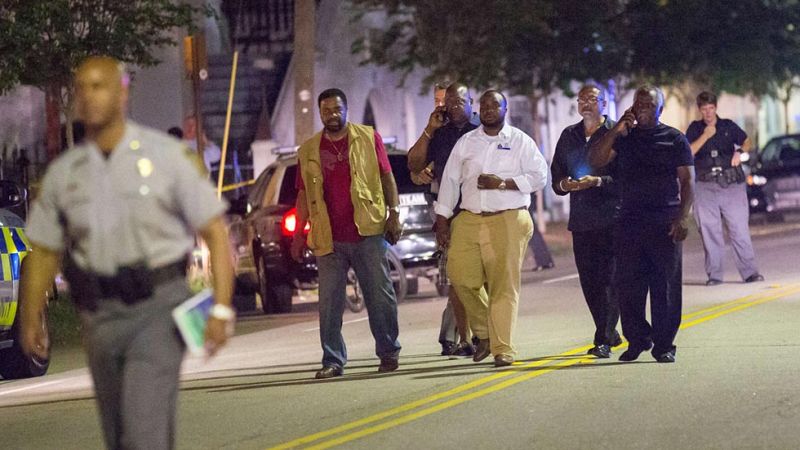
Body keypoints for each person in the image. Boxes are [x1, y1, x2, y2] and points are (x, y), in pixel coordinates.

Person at [18, 56, 235, 449]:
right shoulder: (64, 174)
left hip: (159, 308)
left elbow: (216, 234)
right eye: (81, 87)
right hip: (98, 316)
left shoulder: (166, 157)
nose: (88, 95)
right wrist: (31, 315)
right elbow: (44, 249)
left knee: (142, 432)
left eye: (99, 85)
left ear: (122, 92)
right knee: (121, 438)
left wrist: (220, 309)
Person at [290, 88, 402, 379]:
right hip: (329, 238)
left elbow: (386, 177)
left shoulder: (368, 137)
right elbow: (303, 195)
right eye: (326, 111)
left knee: (380, 296)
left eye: (338, 109)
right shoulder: (309, 149)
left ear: (347, 109)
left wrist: (394, 213)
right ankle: (333, 360)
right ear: (320, 113)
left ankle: (389, 352)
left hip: (368, 231)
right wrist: (299, 234)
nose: (333, 115)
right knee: (328, 303)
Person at [435, 90, 548, 367]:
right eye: (484, 105)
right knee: (459, 276)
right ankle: (485, 333)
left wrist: (503, 183)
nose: (488, 109)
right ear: (478, 110)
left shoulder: (520, 141)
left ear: (505, 109)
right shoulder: (466, 142)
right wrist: (442, 218)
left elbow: (539, 176)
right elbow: (450, 181)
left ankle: (502, 348)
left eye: (494, 104)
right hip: (470, 217)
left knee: (502, 287)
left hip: (508, 216)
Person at [589, 85, 694, 363]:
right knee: (628, 287)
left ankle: (664, 345)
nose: (643, 108)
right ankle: (637, 340)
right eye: (639, 103)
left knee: (666, 288)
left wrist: (683, 216)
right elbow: (595, 160)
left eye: (649, 104)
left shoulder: (675, 139)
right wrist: (616, 130)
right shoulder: (624, 138)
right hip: (628, 222)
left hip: (664, 222)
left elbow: (687, 181)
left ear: (660, 109)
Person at [407, 82, 479, 357]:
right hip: (449, 215)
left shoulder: (482, 131)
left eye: (460, 101)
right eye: (447, 102)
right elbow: (414, 165)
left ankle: (484, 334)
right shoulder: (439, 134)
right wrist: (429, 130)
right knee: (458, 281)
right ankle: (465, 339)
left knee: (482, 281)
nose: (452, 106)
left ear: (471, 102)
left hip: (480, 213)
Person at [551, 84, 622, 358]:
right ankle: (609, 330)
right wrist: (564, 184)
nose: (586, 104)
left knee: (611, 279)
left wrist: (599, 181)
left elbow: (626, 177)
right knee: (590, 281)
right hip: (581, 220)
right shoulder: (569, 135)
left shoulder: (617, 133)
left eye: (592, 99)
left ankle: (602, 339)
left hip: (611, 217)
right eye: (582, 99)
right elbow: (555, 173)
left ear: (604, 103)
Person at [686, 91, 764, 286]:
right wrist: (705, 135)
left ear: (715, 108)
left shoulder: (728, 126)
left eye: (711, 108)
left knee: (739, 229)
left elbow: (747, 141)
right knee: (709, 231)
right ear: (700, 110)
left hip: (731, 184)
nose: (708, 113)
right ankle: (715, 275)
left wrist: (739, 151)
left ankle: (750, 272)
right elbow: (688, 152)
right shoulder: (695, 129)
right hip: (705, 186)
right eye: (704, 109)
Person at [527, 193, 555, 271]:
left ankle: (544, 260)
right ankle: (545, 260)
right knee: (531, 229)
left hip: (522, 196)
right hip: (526, 195)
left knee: (531, 229)